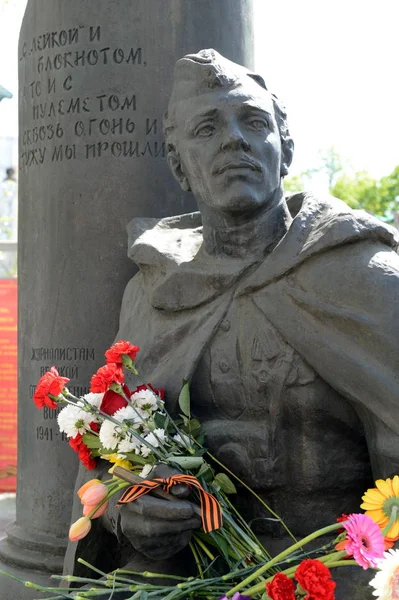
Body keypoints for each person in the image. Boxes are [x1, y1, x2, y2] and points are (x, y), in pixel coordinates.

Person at [65, 50, 399, 599]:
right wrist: (128, 513)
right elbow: (109, 453)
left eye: (255, 122)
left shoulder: (365, 277)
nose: (234, 140)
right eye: (206, 128)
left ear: (284, 148)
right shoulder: (152, 292)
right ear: (178, 165)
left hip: (342, 571)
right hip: (186, 574)